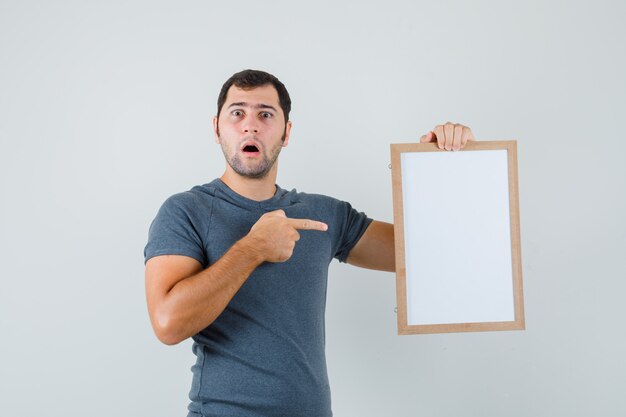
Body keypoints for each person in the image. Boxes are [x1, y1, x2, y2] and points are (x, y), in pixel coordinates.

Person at [144, 69, 474, 417]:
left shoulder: (323, 214)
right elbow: (167, 323)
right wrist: (253, 248)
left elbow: (428, 252)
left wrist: (439, 169)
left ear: (286, 132)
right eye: (237, 112)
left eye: (265, 114)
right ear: (216, 128)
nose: (250, 125)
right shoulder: (186, 211)